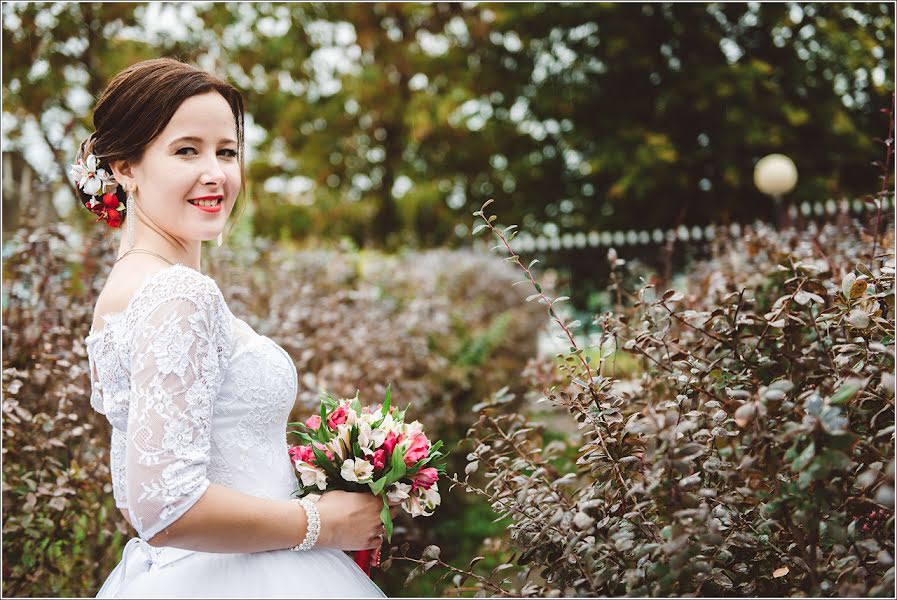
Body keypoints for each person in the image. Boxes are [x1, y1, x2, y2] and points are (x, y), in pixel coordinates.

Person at [80, 57, 390, 598]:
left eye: (227, 151)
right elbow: (164, 506)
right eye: (186, 150)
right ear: (125, 165)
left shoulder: (128, 287)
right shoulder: (179, 292)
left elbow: (145, 489)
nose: (216, 174)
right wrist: (323, 524)